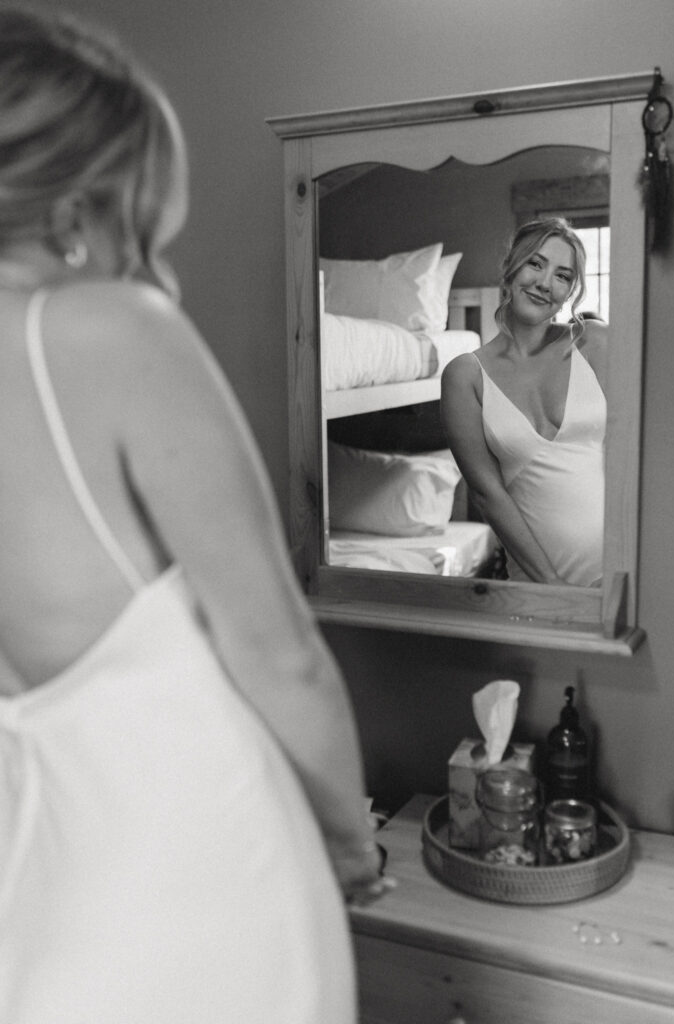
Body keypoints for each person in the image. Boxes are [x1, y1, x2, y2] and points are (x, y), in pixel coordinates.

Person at [0, 9, 388, 1022]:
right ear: (79, 205)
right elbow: (282, 654)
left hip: (53, 890)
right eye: (139, 225)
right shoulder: (105, 332)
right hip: (213, 881)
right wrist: (346, 844)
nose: (151, 265)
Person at [441, 218, 607, 586]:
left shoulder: (593, 343)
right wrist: (554, 590)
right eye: (536, 263)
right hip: (536, 587)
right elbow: (488, 495)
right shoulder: (465, 376)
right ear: (510, 266)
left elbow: (638, 457)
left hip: (624, 578)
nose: (545, 283)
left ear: (570, 291)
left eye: (563, 276)